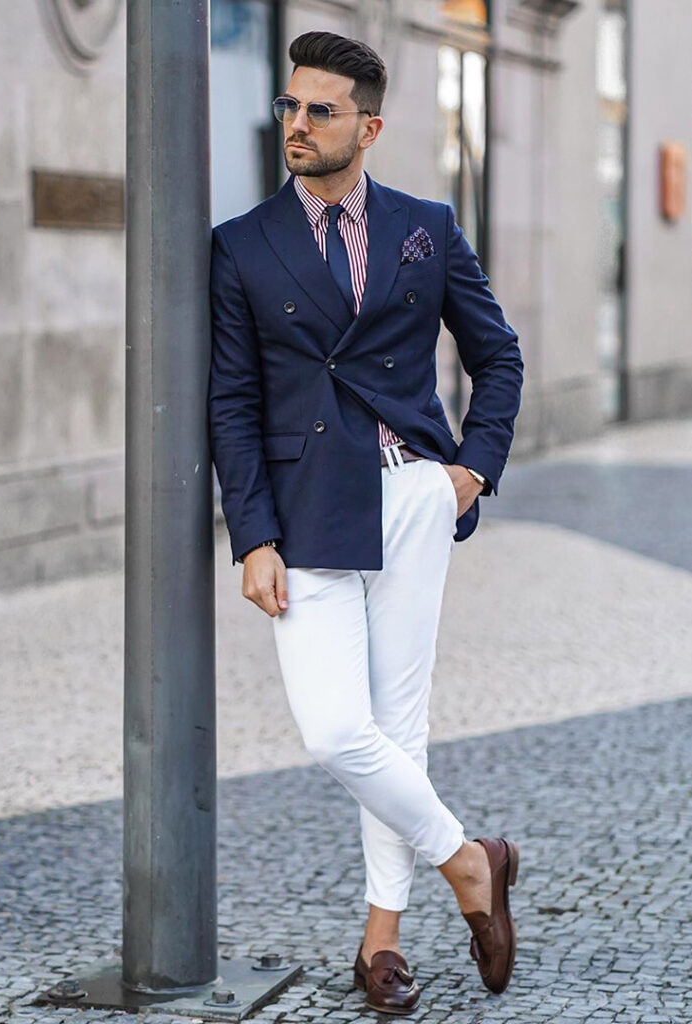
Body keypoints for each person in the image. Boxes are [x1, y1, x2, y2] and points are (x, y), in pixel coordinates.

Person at [208, 29, 524, 1016]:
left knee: (398, 726)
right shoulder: (242, 244)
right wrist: (251, 535)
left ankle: (379, 945)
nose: (295, 124)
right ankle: (470, 862)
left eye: (320, 110)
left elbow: (498, 354)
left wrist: (470, 469)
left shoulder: (425, 226)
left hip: (411, 497)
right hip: (303, 513)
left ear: (369, 126)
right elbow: (230, 400)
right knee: (340, 730)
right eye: (289, 106)